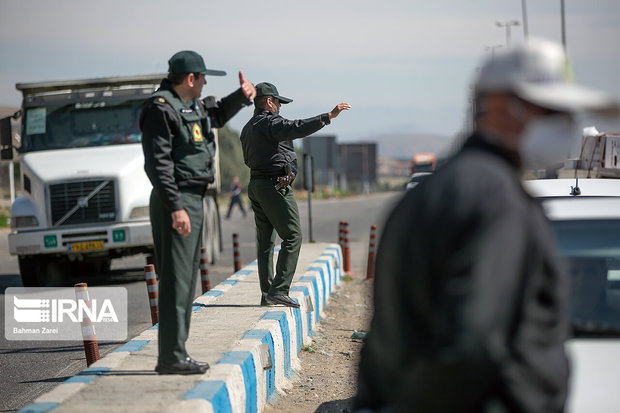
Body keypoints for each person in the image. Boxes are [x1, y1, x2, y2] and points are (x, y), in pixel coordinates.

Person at [355, 39, 619, 412]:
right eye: (551, 111)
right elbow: (473, 344)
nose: (566, 125)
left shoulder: (432, 192)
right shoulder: (498, 201)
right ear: (498, 107)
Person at [140, 50, 256, 375]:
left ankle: (177, 351)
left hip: (195, 198)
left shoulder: (189, 106)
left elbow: (215, 115)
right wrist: (175, 207)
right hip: (175, 199)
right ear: (190, 79)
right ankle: (171, 357)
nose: (205, 82)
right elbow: (158, 164)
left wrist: (243, 97)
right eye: (203, 77)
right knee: (176, 279)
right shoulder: (160, 109)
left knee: (187, 278)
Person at [240, 82, 350, 308]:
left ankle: (267, 292)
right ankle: (279, 290)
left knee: (266, 242)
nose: (280, 106)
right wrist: (328, 116)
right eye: (278, 102)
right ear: (270, 102)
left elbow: (249, 159)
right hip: (273, 186)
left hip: (256, 185)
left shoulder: (248, 127)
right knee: (293, 236)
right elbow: (296, 127)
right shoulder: (271, 123)